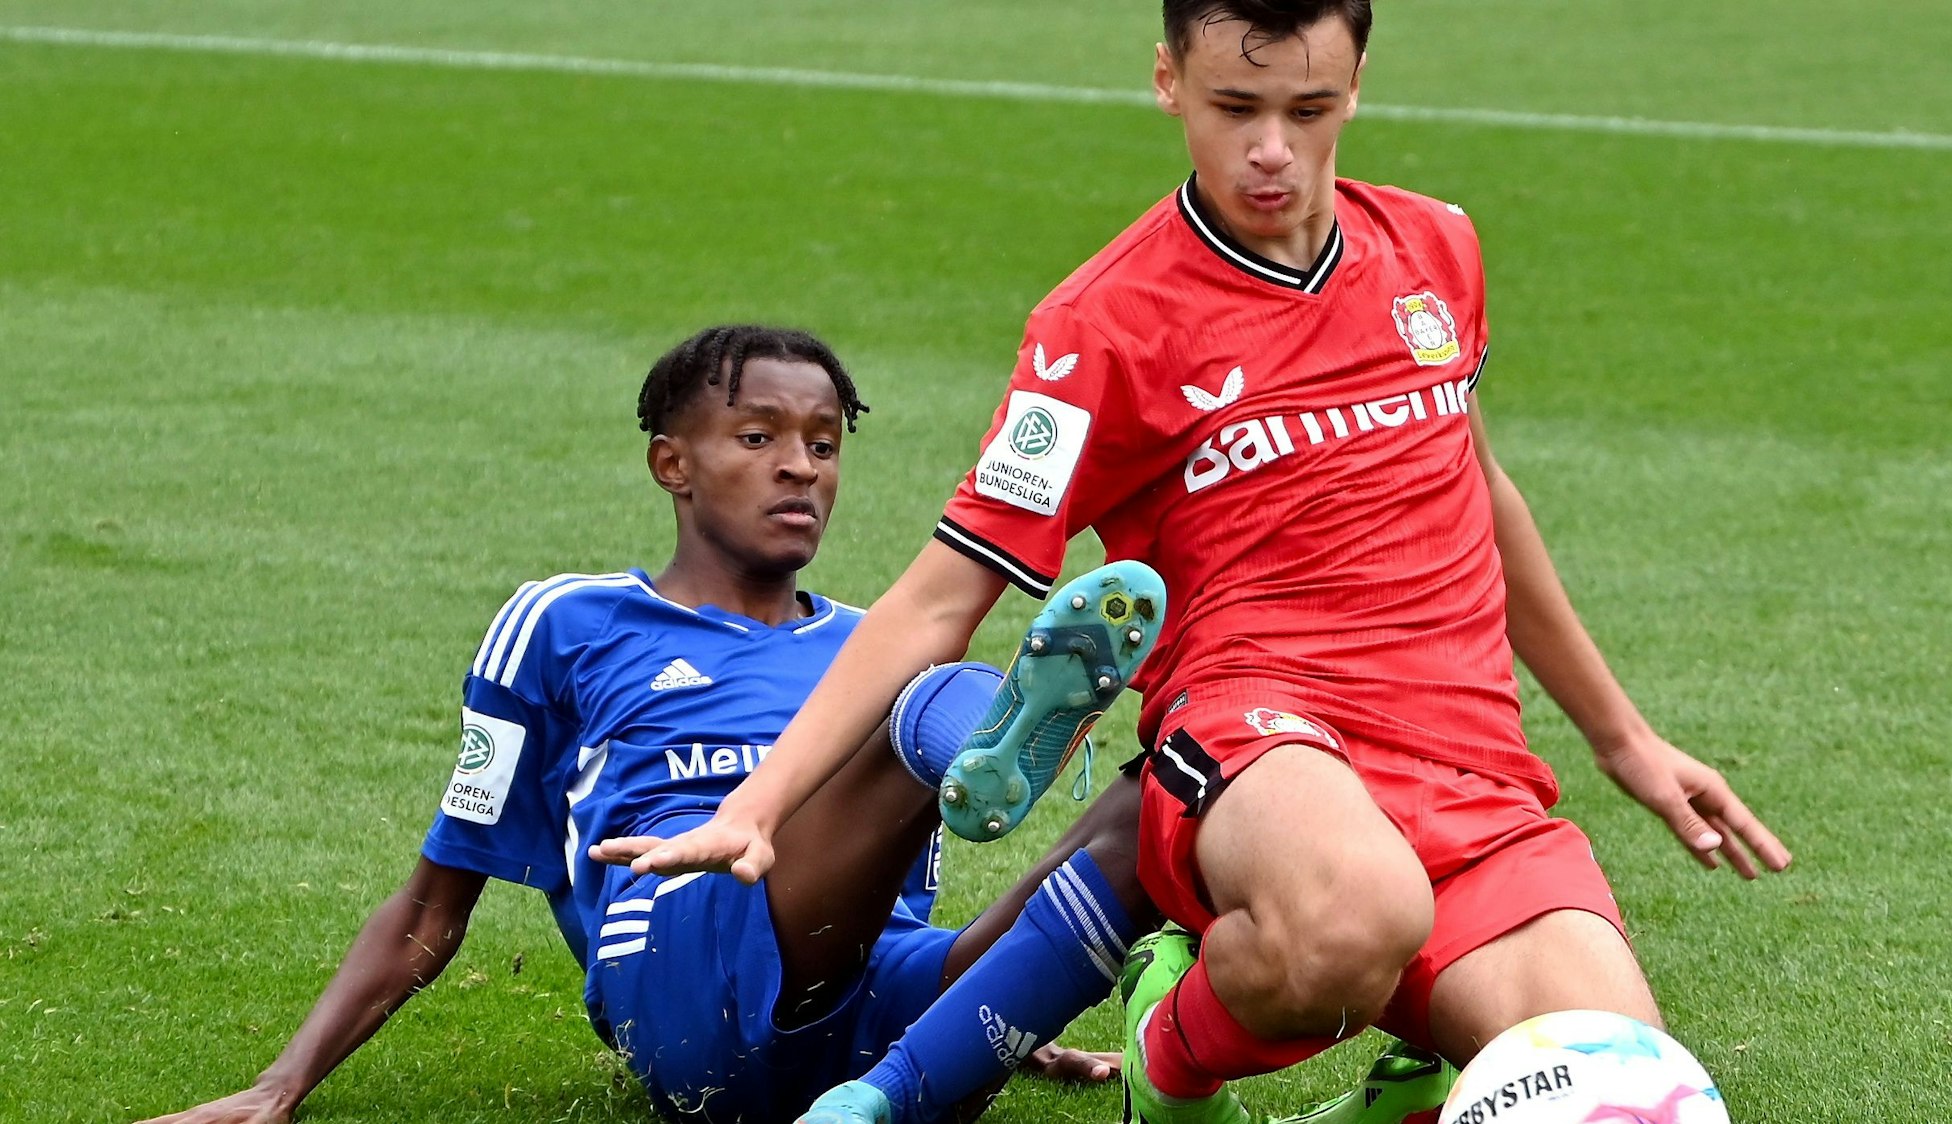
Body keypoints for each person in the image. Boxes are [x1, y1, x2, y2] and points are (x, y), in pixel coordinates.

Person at [621, 4, 1794, 1124]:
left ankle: (1408, 1078)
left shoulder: (1435, 246)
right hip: (1258, 737)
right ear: (1168, 78)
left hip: (1469, 762)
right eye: (1235, 105)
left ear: (1355, 90)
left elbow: (1479, 489)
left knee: (1624, 1083)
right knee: (1354, 913)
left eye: (1308, 107)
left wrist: (1623, 739)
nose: (1271, 149)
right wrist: (758, 801)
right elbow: (942, 587)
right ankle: (1172, 1056)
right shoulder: (1099, 323)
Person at [135, 325, 1158, 1124]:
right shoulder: (566, 620)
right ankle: (989, 729)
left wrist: (1016, 1010)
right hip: (680, 974)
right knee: (918, 702)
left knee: (1154, 800)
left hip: (873, 995)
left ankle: (974, 1011)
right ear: (672, 463)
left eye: (823, 443)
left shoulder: (865, 640)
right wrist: (281, 1083)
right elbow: (431, 900)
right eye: (758, 437)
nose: (799, 466)